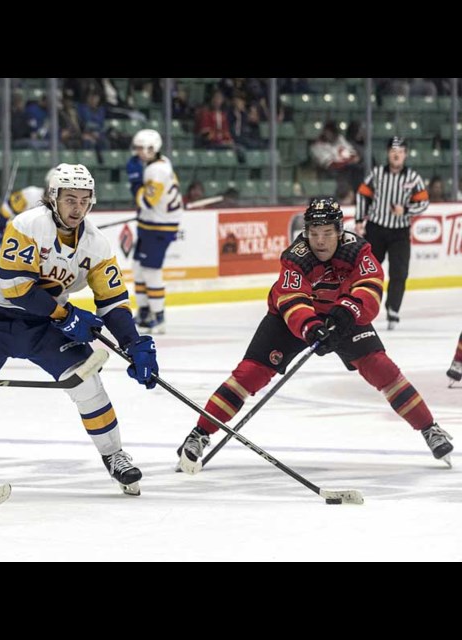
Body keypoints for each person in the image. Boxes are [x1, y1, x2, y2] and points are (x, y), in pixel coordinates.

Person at [0, 164, 159, 499]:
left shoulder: (97, 244)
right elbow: (16, 287)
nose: (77, 207)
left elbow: (112, 301)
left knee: (88, 382)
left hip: (43, 326)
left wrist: (133, 343)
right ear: (54, 198)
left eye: (83, 200)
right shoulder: (28, 224)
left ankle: (114, 455)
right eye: (70, 199)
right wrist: (67, 315)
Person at [175, 197, 452, 474]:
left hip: (343, 317)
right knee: (249, 374)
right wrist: (309, 327)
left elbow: (371, 285)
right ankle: (200, 434)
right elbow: (290, 299)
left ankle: (430, 428)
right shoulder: (296, 256)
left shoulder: (357, 250)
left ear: (339, 231)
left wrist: (347, 312)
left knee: (382, 369)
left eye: (327, 233)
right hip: (291, 321)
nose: (320, 241)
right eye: (314, 233)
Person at [355, 136, 429, 330]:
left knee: (399, 272)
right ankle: (360, 307)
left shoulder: (412, 177)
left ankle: (393, 309)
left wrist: (405, 210)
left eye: (400, 151)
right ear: (388, 153)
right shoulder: (377, 173)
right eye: (393, 151)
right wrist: (358, 220)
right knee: (368, 271)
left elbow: (423, 202)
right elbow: (362, 194)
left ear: (405, 154)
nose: (396, 154)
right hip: (376, 229)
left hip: (400, 232)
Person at [127, 129, 183, 333]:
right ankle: (144, 312)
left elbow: (147, 201)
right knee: (138, 267)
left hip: (158, 226)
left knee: (151, 271)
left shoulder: (156, 170)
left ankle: (158, 317)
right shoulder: (160, 164)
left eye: (146, 148)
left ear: (155, 148)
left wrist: (134, 182)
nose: (141, 152)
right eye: (139, 148)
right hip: (150, 224)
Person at [0, 167, 53, 261]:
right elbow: (6, 210)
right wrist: (0, 230)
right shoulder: (31, 194)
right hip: (18, 241)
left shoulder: (67, 207)